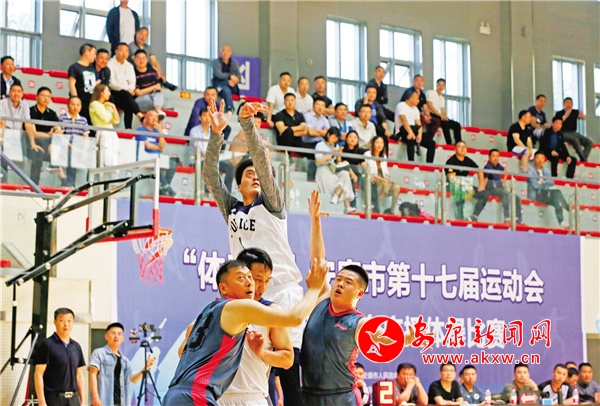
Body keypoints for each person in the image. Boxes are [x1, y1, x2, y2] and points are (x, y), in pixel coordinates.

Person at [203, 101, 306, 405]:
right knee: (258, 367)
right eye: (249, 174)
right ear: (238, 184)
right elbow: (210, 176)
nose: (256, 176)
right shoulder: (232, 209)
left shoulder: (271, 204)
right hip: (250, 294)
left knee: (289, 370)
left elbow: (262, 160)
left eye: (258, 173)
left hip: (282, 290)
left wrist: (247, 123)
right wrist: (216, 135)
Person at [163, 256, 328, 405]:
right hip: (197, 396)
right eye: (241, 278)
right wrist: (314, 288)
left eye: (250, 277)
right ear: (224, 288)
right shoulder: (238, 307)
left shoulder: (208, 311)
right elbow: (294, 318)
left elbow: (182, 351)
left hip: (178, 394)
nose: (250, 283)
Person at [301, 190, 370, 405]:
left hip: (342, 397)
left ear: (360, 293)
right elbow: (318, 260)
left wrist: (405, 339)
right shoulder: (322, 298)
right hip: (309, 395)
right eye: (338, 279)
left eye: (348, 282)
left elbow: (381, 336)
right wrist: (315, 220)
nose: (339, 284)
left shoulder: (359, 322)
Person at [217, 248, 295, 406]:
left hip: (253, 396)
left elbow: (287, 359)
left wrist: (261, 352)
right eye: (257, 279)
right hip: (217, 397)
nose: (262, 287)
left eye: (267, 280)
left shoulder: (272, 312)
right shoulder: (216, 311)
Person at [89, 322, 156, 406]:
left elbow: (134, 379)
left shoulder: (125, 361)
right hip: (104, 402)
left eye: (119, 334)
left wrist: (146, 367)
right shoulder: (99, 353)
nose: (116, 336)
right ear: (106, 336)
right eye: (113, 333)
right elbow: (92, 374)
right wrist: (95, 397)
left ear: (123, 338)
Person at [34, 308, 86, 406]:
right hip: (54, 400)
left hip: (74, 400)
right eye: (62, 320)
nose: (66, 324)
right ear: (55, 322)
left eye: (69, 320)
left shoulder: (76, 346)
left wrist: (83, 401)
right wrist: (42, 402)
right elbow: (38, 374)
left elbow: (79, 375)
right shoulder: (47, 345)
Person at [470, 149, 522, 224]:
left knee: (517, 198)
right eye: (493, 156)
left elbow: (506, 171)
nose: (495, 158)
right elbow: (485, 179)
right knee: (506, 194)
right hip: (491, 188)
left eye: (497, 156)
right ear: (489, 157)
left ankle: (518, 219)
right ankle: (506, 217)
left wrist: (504, 182)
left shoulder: (498, 165)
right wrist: (482, 187)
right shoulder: (488, 167)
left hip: (499, 187)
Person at [190, 108, 234, 192]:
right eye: (204, 116)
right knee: (211, 166)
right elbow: (199, 149)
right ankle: (207, 192)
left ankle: (227, 193)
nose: (207, 118)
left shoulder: (213, 132)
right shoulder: (194, 131)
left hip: (211, 161)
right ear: (199, 117)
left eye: (209, 116)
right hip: (198, 161)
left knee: (230, 168)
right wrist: (212, 159)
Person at [0, 83, 40, 176]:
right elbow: (2, 122)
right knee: (3, 158)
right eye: (14, 91)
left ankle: (19, 182)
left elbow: (28, 124)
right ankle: (2, 180)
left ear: (22, 94)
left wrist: (33, 143)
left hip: (18, 135)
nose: (16, 94)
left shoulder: (24, 105)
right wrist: (3, 140)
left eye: (19, 91)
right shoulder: (2, 103)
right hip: (4, 133)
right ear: (9, 93)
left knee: (21, 161)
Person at [136, 110, 178, 196]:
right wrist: (158, 147)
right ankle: (166, 187)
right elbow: (148, 146)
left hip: (157, 156)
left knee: (172, 163)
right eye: (152, 116)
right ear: (146, 118)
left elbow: (162, 145)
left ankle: (163, 187)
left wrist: (160, 132)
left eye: (156, 117)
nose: (154, 119)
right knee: (157, 163)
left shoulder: (156, 131)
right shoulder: (140, 129)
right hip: (145, 157)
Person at [314, 127, 355, 213]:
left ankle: (336, 196)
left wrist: (338, 154)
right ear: (328, 135)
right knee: (342, 182)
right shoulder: (320, 145)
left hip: (333, 169)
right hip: (323, 169)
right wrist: (330, 155)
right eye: (333, 137)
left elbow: (338, 161)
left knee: (345, 174)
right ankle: (346, 205)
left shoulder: (336, 146)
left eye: (336, 138)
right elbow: (318, 161)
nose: (335, 140)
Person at [28, 86, 63, 185]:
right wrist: (50, 135)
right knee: (38, 153)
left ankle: (66, 182)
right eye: (43, 95)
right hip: (33, 143)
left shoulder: (52, 113)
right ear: (37, 97)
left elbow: (58, 130)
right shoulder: (30, 111)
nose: (46, 98)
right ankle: (34, 185)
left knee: (61, 149)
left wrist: (57, 131)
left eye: (48, 96)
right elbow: (34, 133)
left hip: (48, 144)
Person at [526, 150, 570, 227]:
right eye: (538, 158)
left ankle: (561, 221)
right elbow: (535, 185)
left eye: (541, 158)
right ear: (535, 159)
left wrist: (542, 182)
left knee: (557, 199)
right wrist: (544, 183)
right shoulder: (530, 170)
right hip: (536, 195)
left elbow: (551, 182)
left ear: (544, 159)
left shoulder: (546, 170)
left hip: (545, 194)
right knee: (557, 193)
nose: (540, 160)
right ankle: (569, 210)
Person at [107, 42, 143, 129]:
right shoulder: (110, 64)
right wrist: (127, 89)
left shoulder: (129, 65)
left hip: (127, 94)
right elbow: (112, 83)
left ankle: (128, 129)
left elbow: (132, 81)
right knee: (127, 97)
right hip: (114, 93)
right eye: (121, 51)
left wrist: (130, 89)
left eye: (126, 51)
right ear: (116, 51)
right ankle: (139, 116)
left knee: (128, 102)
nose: (124, 53)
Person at [395, 89, 436, 163]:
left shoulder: (415, 109)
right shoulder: (401, 105)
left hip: (414, 129)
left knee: (431, 143)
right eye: (417, 98)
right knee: (411, 138)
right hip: (403, 130)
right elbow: (404, 120)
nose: (419, 100)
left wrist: (419, 134)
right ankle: (411, 162)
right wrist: (410, 132)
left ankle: (429, 165)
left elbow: (418, 124)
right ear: (411, 98)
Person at [445, 141, 483, 220]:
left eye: (464, 147)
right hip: (452, 185)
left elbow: (479, 170)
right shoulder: (451, 161)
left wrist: (481, 184)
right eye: (459, 146)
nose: (462, 149)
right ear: (455, 149)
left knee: (484, 194)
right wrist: (467, 186)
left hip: (465, 184)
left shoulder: (468, 160)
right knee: (460, 191)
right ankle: (460, 218)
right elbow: (452, 179)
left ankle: (474, 216)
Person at [364, 134, 401, 214]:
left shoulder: (384, 156)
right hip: (373, 179)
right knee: (384, 185)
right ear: (373, 144)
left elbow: (386, 171)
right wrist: (385, 181)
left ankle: (391, 210)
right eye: (377, 143)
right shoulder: (367, 154)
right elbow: (369, 171)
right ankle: (375, 209)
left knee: (397, 187)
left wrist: (387, 178)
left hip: (383, 179)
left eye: (381, 143)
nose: (379, 145)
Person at [58, 96, 89, 187]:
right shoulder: (62, 118)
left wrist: (85, 149)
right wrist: (73, 147)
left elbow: (86, 137)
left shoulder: (83, 120)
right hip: (65, 144)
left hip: (79, 145)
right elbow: (60, 136)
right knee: (71, 155)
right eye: (73, 104)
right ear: (68, 105)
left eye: (78, 105)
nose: (75, 107)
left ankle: (75, 185)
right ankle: (69, 184)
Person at [89, 84, 121, 167]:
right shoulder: (94, 104)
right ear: (101, 93)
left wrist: (114, 107)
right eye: (107, 91)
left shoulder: (108, 105)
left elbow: (117, 120)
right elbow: (107, 119)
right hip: (103, 133)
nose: (109, 93)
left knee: (114, 158)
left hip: (112, 132)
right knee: (106, 159)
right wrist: (112, 120)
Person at [555, 97, 592, 162]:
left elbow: (583, 117)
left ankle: (584, 157)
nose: (569, 105)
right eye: (567, 103)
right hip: (563, 132)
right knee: (574, 139)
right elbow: (557, 123)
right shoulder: (559, 113)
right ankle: (584, 159)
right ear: (563, 104)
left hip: (573, 132)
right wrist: (565, 115)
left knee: (589, 142)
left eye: (570, 103)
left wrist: (583, 117)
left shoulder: (575, 112)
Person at [68, 43, 97, 124]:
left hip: (91, 101)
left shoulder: (92, 68)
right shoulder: (74, 67)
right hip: (81, 101)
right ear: (87, 52)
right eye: (94, 53)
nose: (95, 56)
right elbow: (71, 84)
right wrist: (75, 100)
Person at [303, 97, 331, 181]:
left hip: (320, 143)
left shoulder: (325, 119)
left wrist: (316, 130)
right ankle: (311, 178)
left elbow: (327, 135)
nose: (320, 107)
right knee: (315, 154)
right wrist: (322, 132)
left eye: (322, 105)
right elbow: (310, 133)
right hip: (308, 142)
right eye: (318, 105)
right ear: (313, 106)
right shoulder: (307, 116)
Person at [427, 79, 462, 145]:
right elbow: (430, 106)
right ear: (436, 85)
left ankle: (458, 143)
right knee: (445, 122)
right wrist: (440, 115)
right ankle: (449, 142)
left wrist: (444, 116)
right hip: (431, 113)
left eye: (443, 85)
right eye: (439, 85)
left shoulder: (442, 98)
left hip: (439, 115)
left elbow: (443, 110)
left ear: (445, 87)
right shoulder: (430, 92)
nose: (441, 87)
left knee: (456, 124)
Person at [339, 130, 367, 208]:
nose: (353, 139)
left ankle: (369, 206)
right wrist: (352, 173)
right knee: (351, 180)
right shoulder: (342, 150)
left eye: (355, 137)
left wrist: (368, 172)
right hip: (346, 171)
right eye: (350, 137)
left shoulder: (360, 151)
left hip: (357, 172)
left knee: (367, 182)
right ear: (346, 139)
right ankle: (352, 206)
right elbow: (342, 162)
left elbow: (363, 163)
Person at [133, 49, 164, 113]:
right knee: (148, 99)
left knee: (159, 94)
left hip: (152, 96)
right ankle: (157, 110)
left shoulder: (152, 71)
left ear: (147, 60)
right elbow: (139, 93)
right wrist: (153, 87)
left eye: (143, 58)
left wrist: (155, 88)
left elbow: (158, 86)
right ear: (134, 59)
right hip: (140, 99)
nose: (141, 60)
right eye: (139, 58)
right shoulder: (132, 73)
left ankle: (158, 111)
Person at [212, 45, 241, 113]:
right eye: (223, 51)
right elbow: (219, 75)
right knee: (226, 90)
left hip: (232, 86)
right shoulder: (216, 62)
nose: (225, 53)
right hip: (219, 86)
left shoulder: (234, 63)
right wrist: (230, 76)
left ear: (230, 53)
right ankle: (230, 107)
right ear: (220, 53)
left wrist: (234, 81)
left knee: (229, 88)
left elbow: (238, 77)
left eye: (227, 51)